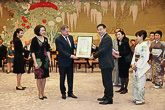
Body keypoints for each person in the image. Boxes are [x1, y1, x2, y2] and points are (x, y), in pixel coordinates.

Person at [89, 24, 117, 105]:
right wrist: (96, 48)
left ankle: (109, 99)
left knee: (108, 82)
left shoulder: (107, 38)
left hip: (107, 63)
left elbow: (104, 51)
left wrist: (94, 56)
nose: (99, 31)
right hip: (105, 63)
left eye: (101, 29)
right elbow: (103, 49)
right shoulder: (104, 38)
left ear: (105, 29)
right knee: (105, 81)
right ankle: (106, 96)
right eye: (98, 30)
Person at [55, 25, 78, 100]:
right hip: (63, 62)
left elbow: (71, 48)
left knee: (70, 78)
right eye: (66, 31)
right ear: (62, 31)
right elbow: (61, 51)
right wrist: (71, 56)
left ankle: (70, 92)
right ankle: (63, 93)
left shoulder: (71, 37)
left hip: (70, 62)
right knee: (62, 78)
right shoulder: (58, 39)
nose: (68, 33)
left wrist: (75, 46)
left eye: (69, 31)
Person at [31, 25, 51, 100]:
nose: (44, 32)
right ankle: (39, 93)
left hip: (45, 61)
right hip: (38, 61)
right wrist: (35, 62)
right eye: (42, 30)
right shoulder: (34, 40)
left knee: (44, 77)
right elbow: (32, 52)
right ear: (38, 31)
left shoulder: (45, 39)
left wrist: (50, 60)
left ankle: (43, 92)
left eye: (44, 30)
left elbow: (48, 50)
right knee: (39, 78)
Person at [131, 30, 150, 105]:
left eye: (137, 36)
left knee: (141, 82)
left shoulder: (145, 46)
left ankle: (141, 99)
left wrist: (137, 65)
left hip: (140, 66)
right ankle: (136, 97)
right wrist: (133, 63)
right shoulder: (138, 45)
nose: (136, 38)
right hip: (136, 65)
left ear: (142, 37)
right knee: (135, 82)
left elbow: (144, 57)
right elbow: (134, 56)